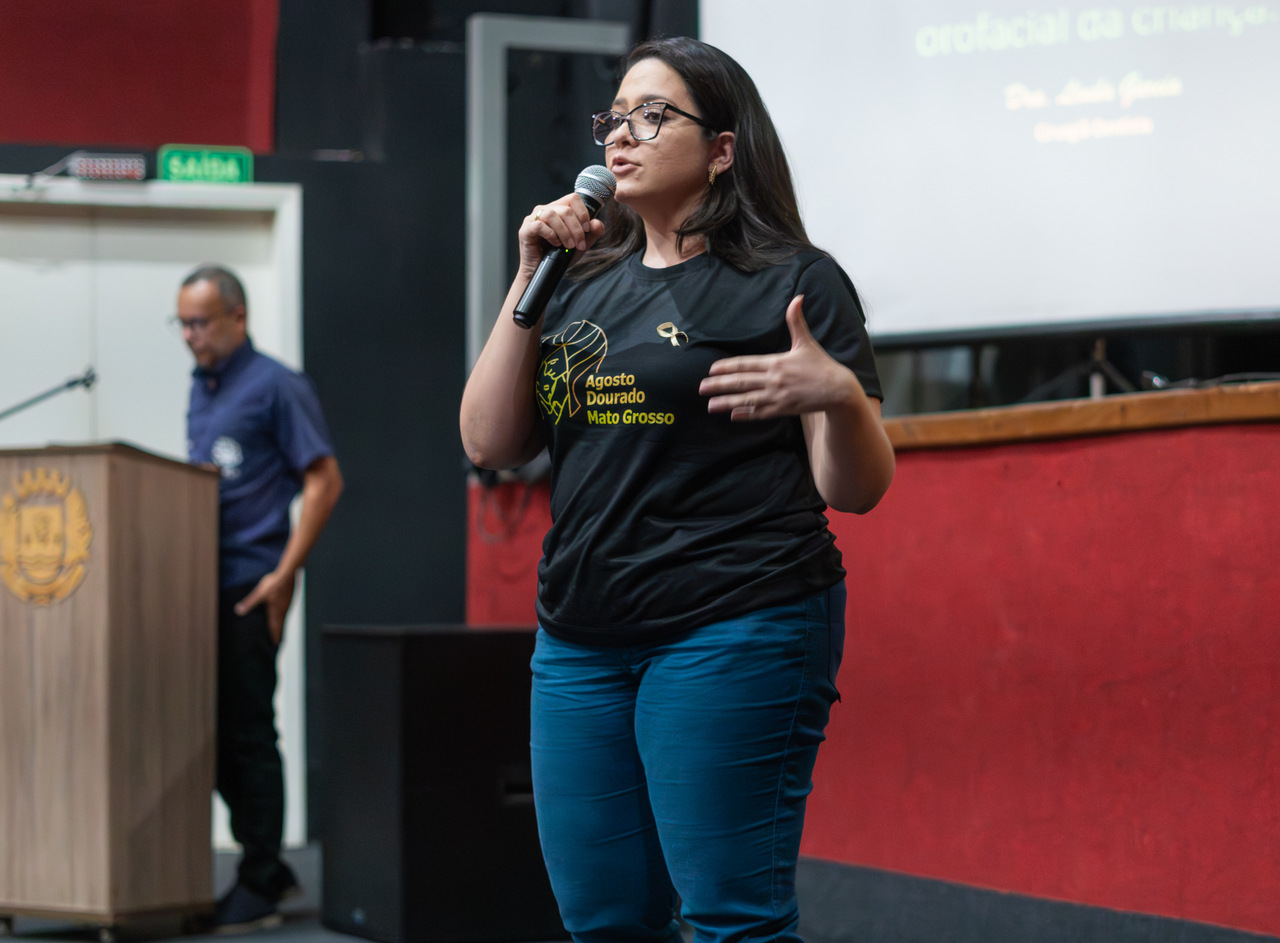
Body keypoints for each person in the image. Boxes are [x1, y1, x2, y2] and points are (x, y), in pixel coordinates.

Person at [460, 36, 894, 943]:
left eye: (653, 116)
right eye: (614, 118)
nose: (622, 135)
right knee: (603, 920)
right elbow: (489, 440)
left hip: (736, 620)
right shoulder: (575, 282)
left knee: (731, 918)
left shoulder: (793, 282)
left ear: (723, 148)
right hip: (579, 639)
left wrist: (841, 397)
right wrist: (527, 272)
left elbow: (853, 488)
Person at [174, 264, 343, 932]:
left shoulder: (277, 385)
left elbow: (325, 479)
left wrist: (284, 572)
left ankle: (260, 878)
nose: (189, 335)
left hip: (252, 581)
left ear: (237, 317)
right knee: (210, 732)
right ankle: (269, 865)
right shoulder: (202, 386)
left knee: (247, 733)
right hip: (200, 584)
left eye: (200, 322)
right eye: (182, 323)